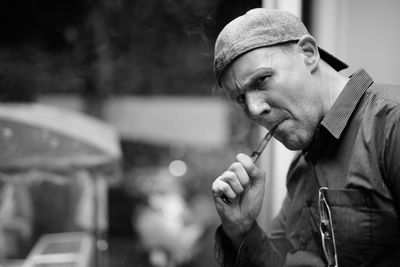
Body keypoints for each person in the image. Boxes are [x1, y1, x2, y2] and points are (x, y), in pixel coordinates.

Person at [211, 8, 400, 267]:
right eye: (241, 98)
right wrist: (242, 228)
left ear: (308, 54)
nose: (254, 110)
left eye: (262, 80)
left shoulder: (392, 123)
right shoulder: (300, 168)